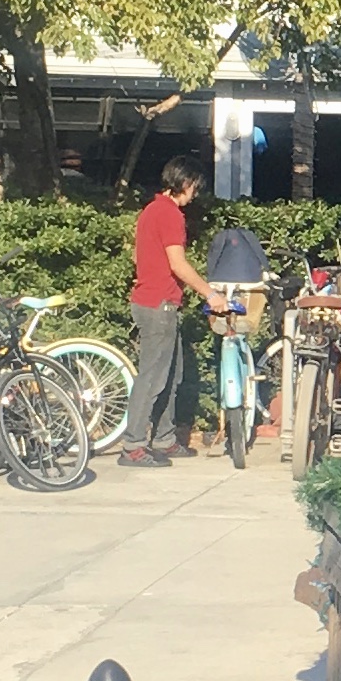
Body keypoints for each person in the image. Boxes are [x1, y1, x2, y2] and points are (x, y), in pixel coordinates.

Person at [116, 160, 208, 466]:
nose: (195, 193)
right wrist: (211, 294)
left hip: (152, 302)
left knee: (172, 373)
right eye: (195, 186)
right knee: (154, 376)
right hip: (159, 305)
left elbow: (137, 254)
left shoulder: (150, 211)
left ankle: (165, 438)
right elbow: (177, 264)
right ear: (185, 183)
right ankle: (133, 445)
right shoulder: (170, 215)